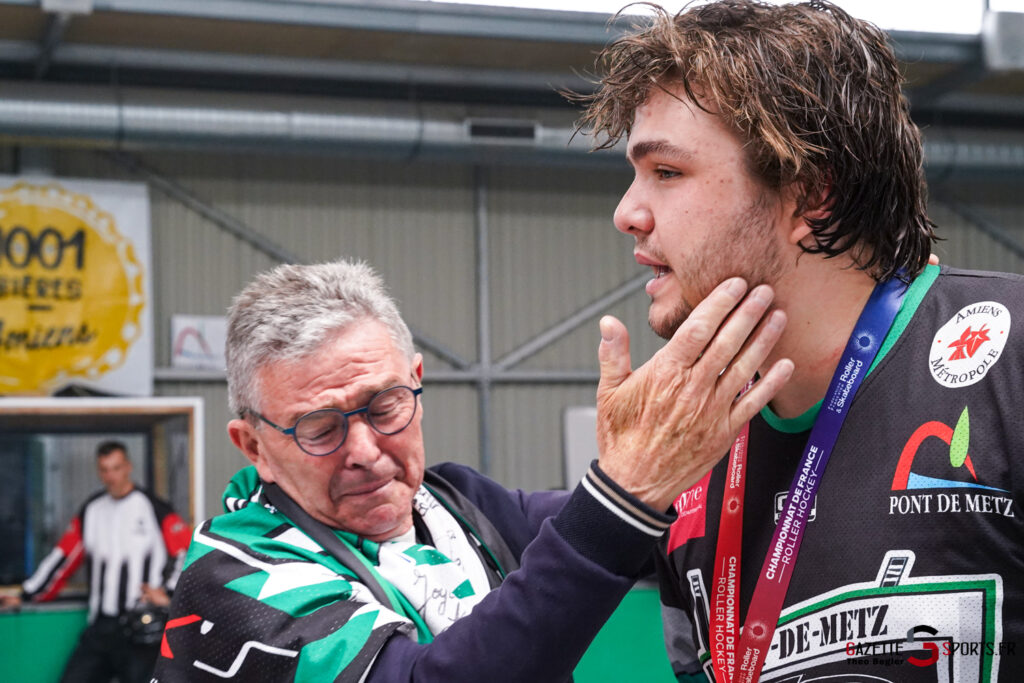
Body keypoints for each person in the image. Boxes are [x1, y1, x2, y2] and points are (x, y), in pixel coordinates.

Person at [576, 1, 1024, 681]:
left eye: (666, 172)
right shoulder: (686, 458)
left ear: (811, 197)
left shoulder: (1009, 360)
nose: (626, 213)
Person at [153, 258, 791, 682]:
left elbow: (668, 525)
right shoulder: (233, 580)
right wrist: (623, 490)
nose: (365, 450)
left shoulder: (462, 506)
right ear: (254, 446)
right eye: (320, 429)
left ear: (417, 380)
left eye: (385, 405)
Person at [0, 441, 191, 683]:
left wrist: (169, 594)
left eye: (116, 468)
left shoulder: (154, 507)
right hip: (101, 625)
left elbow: (188, 551)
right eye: (105, 470)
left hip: (141, 625)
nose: (111, 476)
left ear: (128, 467)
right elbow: (62, 558)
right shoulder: (92, 509)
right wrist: (27, 595)